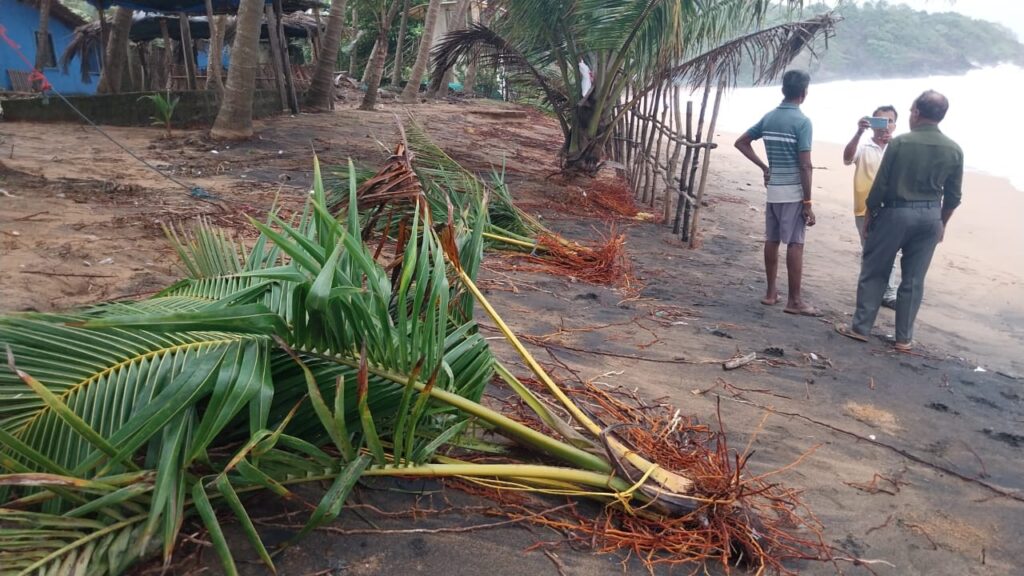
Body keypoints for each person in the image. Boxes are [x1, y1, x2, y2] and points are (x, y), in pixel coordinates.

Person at [836, 90, 963, 351]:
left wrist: (870, 215)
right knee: (914, 279)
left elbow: (880, 186)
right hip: (930, 215)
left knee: (875, 270)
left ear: (916, 112)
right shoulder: (954, 149)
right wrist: (942, 223)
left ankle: (861, 328)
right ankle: (903, 338)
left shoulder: (900, 143)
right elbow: (953, 196)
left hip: (896, 212)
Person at [734, 69, 819, 316]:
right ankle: (794, 301)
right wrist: (808, 201)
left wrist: (764, 167)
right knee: (795, 243)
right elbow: (805, 164)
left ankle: (771, 293)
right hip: (793, 191)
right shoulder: (803, 122)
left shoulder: (769, 118)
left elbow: (741, 142)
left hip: (773, 191)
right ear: (804, 94)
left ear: (784, 90)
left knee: (772, 240)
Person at [843, 105, 900, 308]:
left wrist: (893, 147)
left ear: (895, 125)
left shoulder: (899, 147)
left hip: (892, 207)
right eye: (880, 121)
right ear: (872, 123)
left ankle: (889, 293)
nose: (885, 126)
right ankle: (869, 291)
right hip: (864, 207)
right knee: (869, 251)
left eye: (890, 121)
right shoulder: (864, 144)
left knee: (891, 251)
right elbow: (847, 158)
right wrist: (858, 132)